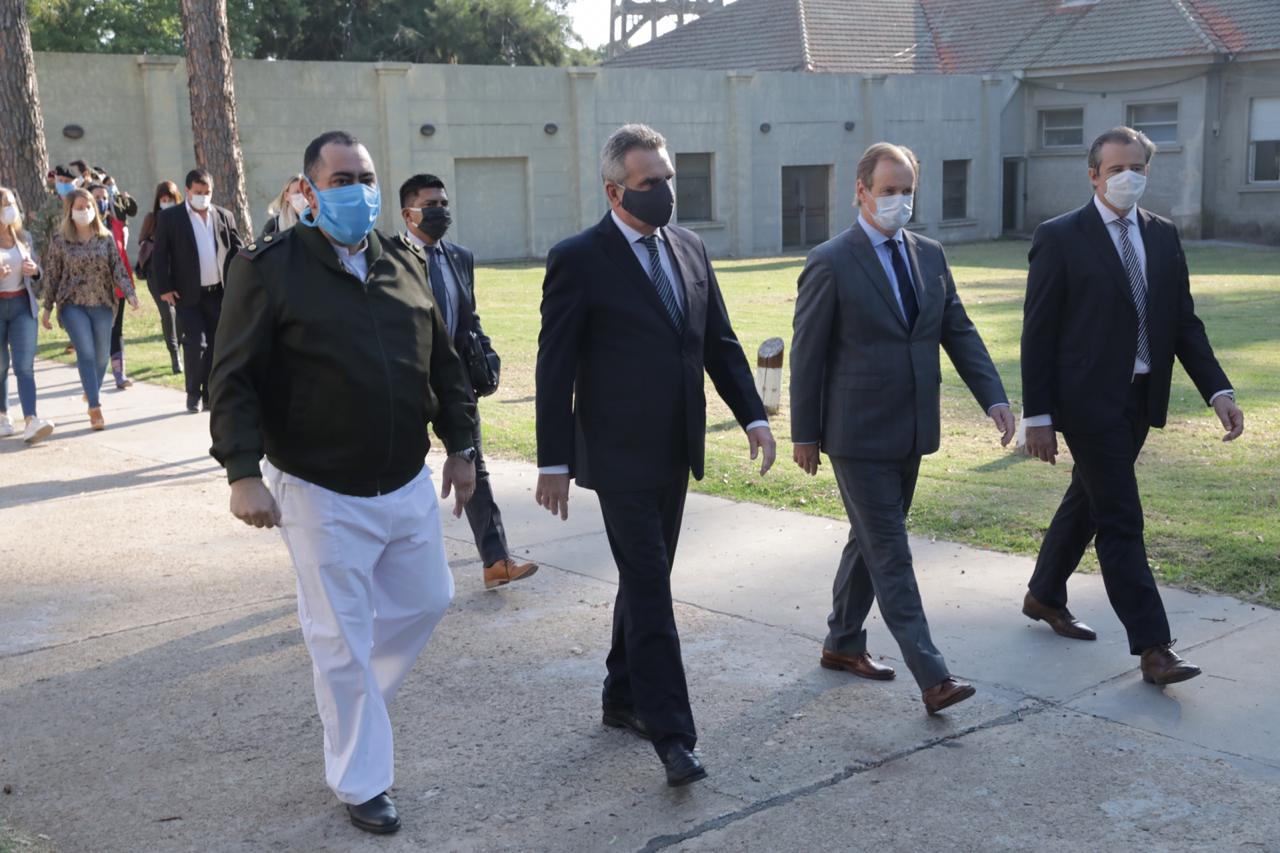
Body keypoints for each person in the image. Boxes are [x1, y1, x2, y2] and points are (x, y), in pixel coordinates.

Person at [209, 130, 478, 835]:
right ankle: (363, 780)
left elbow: (443, 364)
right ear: (307, 190)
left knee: (429, 598)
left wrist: (462, 446)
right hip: (318, 487)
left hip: (405, 477)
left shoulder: (403, 262)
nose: (357, 190)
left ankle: (351, 705)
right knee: (340, 639)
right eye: (340, 179)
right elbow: (233, 379)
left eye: (364, 176)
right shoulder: (268, 269)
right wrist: (242, 473)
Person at [535, 124, 775, 787]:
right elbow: (555, 366)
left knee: (646, 577)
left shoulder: (690, 247)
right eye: (650, 182)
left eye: (669, 178)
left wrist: (753, 415)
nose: (666, 190)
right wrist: (553, 461)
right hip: (617, 455)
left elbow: (718, 342)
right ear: (615, 191)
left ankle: (621, 695)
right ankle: (673, 735)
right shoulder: (578, 258)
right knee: (650, 586)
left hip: (676, 448)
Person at [789, 142, 1015, 716]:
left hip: (913, 428)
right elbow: (807, 355)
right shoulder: (831, 261)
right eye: (888, 190)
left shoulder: (930, 255)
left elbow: (958, 331)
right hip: (856, 434)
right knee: (890, 551)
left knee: (869, 539)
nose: (899, 200)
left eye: (907, 190)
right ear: (861, 192)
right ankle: (934, 677)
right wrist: (804, 434)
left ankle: (842, 643)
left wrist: (993, 397)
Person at [1021, 127, 1244, 685]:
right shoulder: (1059, 236)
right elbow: (1038, 333)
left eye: (1137, 167)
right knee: (1121, 517)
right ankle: (1154, 648)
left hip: (1141, 398)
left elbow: (1184, 323)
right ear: (1093, 175)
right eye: (1116, 169)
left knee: (1088, 499)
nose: (1128, 177)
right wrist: (1038, 416)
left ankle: (1043, 594)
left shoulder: (1162, 235)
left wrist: (1218, 391)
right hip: (1086, 402)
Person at [398, 173, 536, 590]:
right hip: (406, 381)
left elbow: (468, 317)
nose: (440, 211)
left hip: (456, 381)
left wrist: (485, 354)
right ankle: (401, 572)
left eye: (444, 204)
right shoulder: (390, 259)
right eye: (431, 205)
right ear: (408, 213)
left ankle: (496, 560)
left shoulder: (460, 257)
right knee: (404, 470)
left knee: (474, 465)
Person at [39, 188, 138, 430]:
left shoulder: (105, 238)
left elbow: (117, 268)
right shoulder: (60, 240)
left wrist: (130, 293)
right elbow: (52, 275)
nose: (84, 211)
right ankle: (95, 407)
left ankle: (91, 389)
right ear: (70, 211)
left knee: (102, 355)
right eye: (79, 208)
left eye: (88, 206)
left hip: (102, 303)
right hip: (72, 304)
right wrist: (48, 308)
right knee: (85, 351)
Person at [150, 168, 243, 413]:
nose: (203, 197)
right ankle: (193, 394)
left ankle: (210, 393)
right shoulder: (171, 218)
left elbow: (237, 249)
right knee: (195, 344)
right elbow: (160, 255)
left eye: (207, 192)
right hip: (187, 294)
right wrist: (165, 287)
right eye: (198, 192)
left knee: (214, 344)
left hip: (218, 293)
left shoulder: (223, 216)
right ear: (188, 191)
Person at [0, 187, 55, 444]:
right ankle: (3, 415)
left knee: (24, 365)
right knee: (1, 364)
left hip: (22, 304)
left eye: (11, 203)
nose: (10, 209)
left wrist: (35, 270)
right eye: (4, 204)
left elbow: (37, 270)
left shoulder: (24, 237)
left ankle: (31, 420)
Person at [135, 181, 184, 375]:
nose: (166, 202)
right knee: (168, 313)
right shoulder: (152, 218)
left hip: (179, 272)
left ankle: (179, 346)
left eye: (169, 199)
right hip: (156, 273)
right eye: (163, 199)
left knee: (181, 313)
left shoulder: (184, 216)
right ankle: (174, 355)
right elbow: (142, 240)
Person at [90, 183, 135, 390]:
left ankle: (119, 374)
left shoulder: (116, 225)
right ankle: (93, 374)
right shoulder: (79, 230)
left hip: (116, 289)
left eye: (104, 197)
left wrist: (128, 288)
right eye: (97, 197)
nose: (101, 201)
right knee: (98, 333)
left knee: (116, 330)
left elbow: (122, 258)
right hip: (90, 292)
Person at [33, 165, 76, 256]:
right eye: (60, 181)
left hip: (81, 251)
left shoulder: (81, 202)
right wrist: (40, 252)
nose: (63, 184)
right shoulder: (51, 204)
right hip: (58, 253)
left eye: (67, 181)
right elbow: (38, 229)